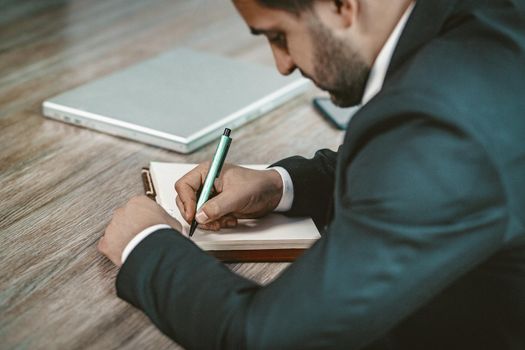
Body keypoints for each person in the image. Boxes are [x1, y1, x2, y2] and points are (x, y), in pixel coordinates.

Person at [97, 0, 525, 348]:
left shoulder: (440, 120)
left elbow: (269, 338)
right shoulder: (477, 24)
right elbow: (420, 172)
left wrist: (146, 245)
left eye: (279, 36)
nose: (282, 64)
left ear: (342, 6)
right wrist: (280, 184)